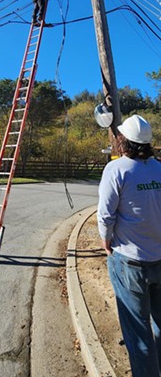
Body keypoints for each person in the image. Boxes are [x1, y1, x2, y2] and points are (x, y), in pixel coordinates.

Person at [97, 114, 161, 377]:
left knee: (138, 333)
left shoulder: (116, 169)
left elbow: (105, 214)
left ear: (124, 140)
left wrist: (106, 240)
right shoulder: (159, 168)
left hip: (130, 262)